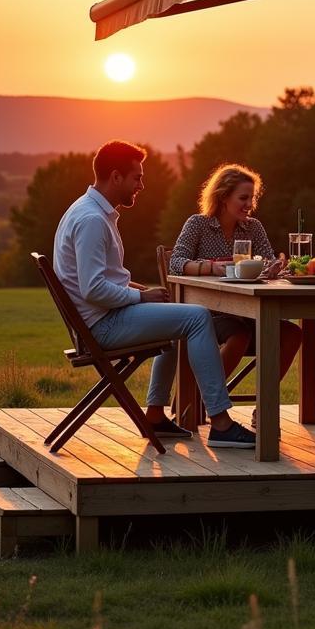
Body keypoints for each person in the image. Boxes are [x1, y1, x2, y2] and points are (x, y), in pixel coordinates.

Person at [52, 140, 256, 448]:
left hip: (101, 319)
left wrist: (140, 291)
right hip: (102, 326)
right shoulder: (91, 220)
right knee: (198, 317)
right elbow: (93, 289)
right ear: (116, 176)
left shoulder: (89, 211)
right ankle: (222, 424)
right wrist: (140, 298)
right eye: (137, 177)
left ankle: (156, 416)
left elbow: (102, 280)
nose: (141, 185)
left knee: (177, 315)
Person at [167, 163, 301, 389]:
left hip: (249, 311)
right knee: (239, 335)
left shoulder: (253, 227)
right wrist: (210, 267)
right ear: (223, 196)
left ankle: (264, 406)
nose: (249, 204)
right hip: (208, 313)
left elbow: (267, 260)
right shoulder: (198, 224)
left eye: (252, 198)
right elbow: (176, 262)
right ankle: (206, 399)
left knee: (292, 334)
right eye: (243, 198)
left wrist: (275, 267)